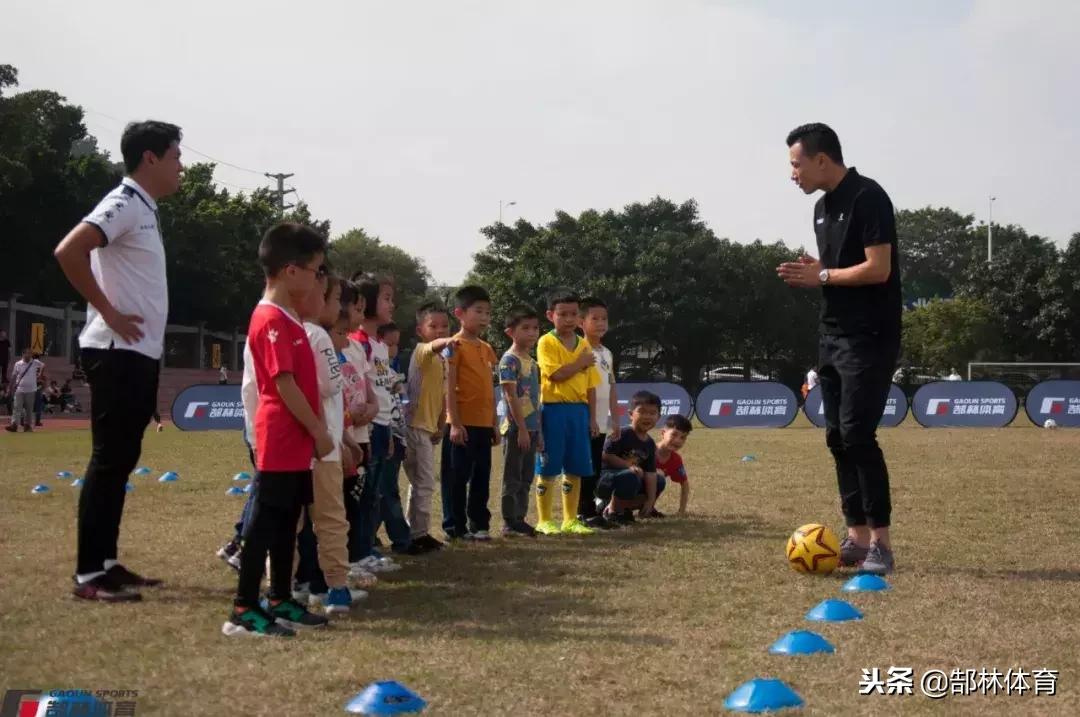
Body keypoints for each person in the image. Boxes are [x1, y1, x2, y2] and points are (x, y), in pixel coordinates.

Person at [54, 121, 182, 602]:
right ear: (150, 158)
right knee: (109, 460)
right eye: (175, 156)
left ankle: (106, 562)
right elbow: (69, 250)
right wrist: (107, 311)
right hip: (115, 350)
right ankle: (89, 575)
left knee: (124, 457)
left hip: (137, 352)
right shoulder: (124, 202)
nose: (181, 166)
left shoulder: (144, 209)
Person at [777, 122, 902, 575]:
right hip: (831, 335)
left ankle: (882, 545)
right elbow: (839, 269)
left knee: (857, 435)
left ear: (821, 159)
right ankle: (855, 538)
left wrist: (823, 276)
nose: (792, 174)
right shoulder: (821, 208)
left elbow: (878, 269)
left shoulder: (869, 197)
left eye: (796, 164)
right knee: (835, 437)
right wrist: (822, 269)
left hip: (869, 337)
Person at [222, 222, 332, 637]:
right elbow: (283, 383)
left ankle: (280, 598)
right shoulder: (270, 318)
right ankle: (244, 607)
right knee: (265, 525)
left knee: (289, 521)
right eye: (315, 270)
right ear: (291, 271)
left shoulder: (290, 318)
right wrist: (319, 431)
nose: (317, 279)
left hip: (296, 442)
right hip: (280, 439)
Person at [350, 275, 408, 567]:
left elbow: (384, 389)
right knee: (363, 496)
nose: (392, 304)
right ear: (365, 301)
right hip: (367, 428)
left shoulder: (380, 344)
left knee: (374, 494)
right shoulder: (359, 343)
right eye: (386, 298)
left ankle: (366, 550)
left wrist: (389, 430)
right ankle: (358, 553)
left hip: (384, 427)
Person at [534, 289, 601, 536]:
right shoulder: (546, 342)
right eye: (563, 314)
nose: (569, 319)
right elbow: (555, 374)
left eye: (574, 314)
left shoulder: (583, 344)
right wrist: (580, 364)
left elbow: (591, 386)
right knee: (548, 466)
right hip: (553, 410)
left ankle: (570, 519)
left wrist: (592, 418)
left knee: (575, 467)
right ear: (551, 315)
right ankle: (544, 519)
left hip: (579, 412)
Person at [442, 285, 500, 540]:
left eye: (488, 312)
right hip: (461, 424)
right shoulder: (453, 346)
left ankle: (479, 523)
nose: (485, 317)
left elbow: (490, 389)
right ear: (460, 313)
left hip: (483, 425)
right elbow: (448, 386)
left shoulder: (487, 348)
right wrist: (454, 423)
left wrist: (495, 424)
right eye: (478, 311)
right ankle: (455, 526)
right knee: (457, 478)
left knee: (481, 476)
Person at [403, 302, 454, 552]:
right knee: (423, 482)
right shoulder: (422, 352)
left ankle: (414, 532)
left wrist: (440, 423)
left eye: (445, 326)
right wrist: (451, 339)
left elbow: (443, 395)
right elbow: (436, 345)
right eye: (433, 326)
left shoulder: (442, 362)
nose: (440, 330)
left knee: (419, 482)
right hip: (414, 426)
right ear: (420, 330)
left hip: (427, 428)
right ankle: (417, 534)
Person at [498, 305, 542, 538]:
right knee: (512, 476)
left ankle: (521, 518)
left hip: (533, 428)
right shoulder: (509, 360)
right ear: (510, 332)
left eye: (535, 328)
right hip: (516, 428)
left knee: (526, 476)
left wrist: (538, 432)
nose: (532, 333)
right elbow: (510, 395)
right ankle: (509, 521)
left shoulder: (533, 362)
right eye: (525, 328)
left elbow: (537, 400)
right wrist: (523, 429)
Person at [579, 297, 620, 530]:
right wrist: (591, 418)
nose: (601, 323)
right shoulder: (579, 349)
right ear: (581, 322)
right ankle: (581, 512)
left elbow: (612, 385)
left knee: (595, 465)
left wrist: (615, 418)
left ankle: (592, 511)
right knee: (584, 466)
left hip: (602, 421)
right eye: (594, 318)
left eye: (604, 319)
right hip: (585, 418)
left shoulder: (607, 353)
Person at [374, 321, 412, 555]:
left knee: (385, 489)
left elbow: (400, 410)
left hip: (397, 439)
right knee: (387, 491)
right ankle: (401, 537)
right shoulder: (377, 374)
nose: (393, 350)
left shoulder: (394, 373)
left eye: (396, 345)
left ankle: (369, 536)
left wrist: (403, 440)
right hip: (383, 437)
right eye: (388, 344)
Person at [598, 391, 662, 524]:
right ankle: (612, 511)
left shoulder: (649, 443)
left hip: (631, 479)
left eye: (652, 413)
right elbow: (605, 455)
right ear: (630, 414)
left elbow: (650, 473)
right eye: (642, 412)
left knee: (659, 481)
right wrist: (628, 466)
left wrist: (651, 500)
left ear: (659, 417)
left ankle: (625, 509)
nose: (647, 417)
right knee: (630, 475)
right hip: (605, 479)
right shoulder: (622, 433)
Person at [655, 414, 693, 517]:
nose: (678, 441)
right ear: (663, 433)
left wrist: (682, 510)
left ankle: (647, 508)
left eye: (683, 437)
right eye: (674, 435)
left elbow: (684, 484)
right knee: (658, 476)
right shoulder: (648, 450)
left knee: (659, 479)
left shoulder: (676, 459)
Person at [6, 348, 44, 433]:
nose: (29, 355)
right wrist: (10, 387)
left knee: (29, 409)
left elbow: (43, 365)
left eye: (30, 354)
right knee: (17, 407)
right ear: (23, 354)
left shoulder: (34, 362)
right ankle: (14, 425)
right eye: (28, 354)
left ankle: (27, 426)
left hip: (31, 390)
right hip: (20, 389)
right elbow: (13, 376)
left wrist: (40, 374)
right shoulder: (18, 364)